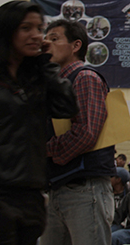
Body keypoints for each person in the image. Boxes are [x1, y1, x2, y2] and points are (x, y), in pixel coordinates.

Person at [0, 0, 78, 245]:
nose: (36, 35)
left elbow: (67, 108)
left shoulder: (35, 77)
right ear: (7, 30)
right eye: (26, 28)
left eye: (39, 28)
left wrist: (46, 64)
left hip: (31, 196)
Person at [40, 19, 115, 245]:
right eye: (46, 39)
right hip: (57, 186)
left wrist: (43, 150)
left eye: (54, 39)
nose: (46, 44)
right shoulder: (53, 84)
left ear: (75, 46)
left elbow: (86, 132)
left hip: (85, 188)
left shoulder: (84, 77)